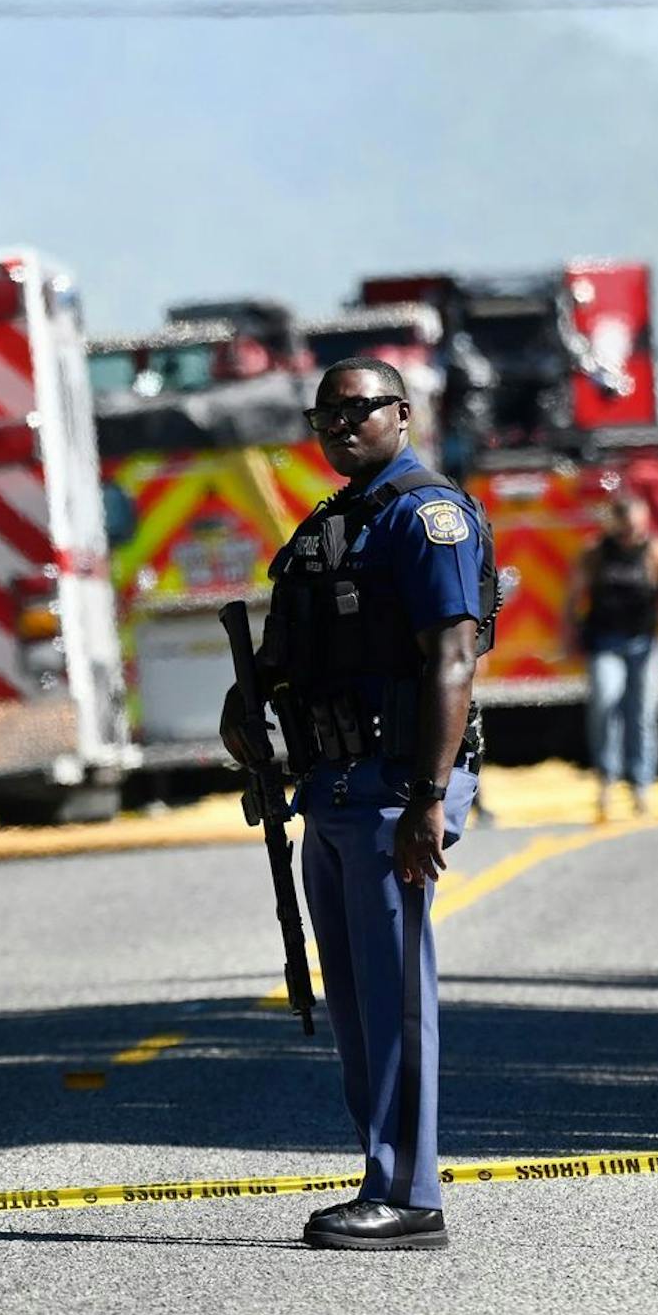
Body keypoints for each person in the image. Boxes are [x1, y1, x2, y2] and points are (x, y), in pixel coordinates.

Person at [222, 358, 492, 1252]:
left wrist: (426, 800)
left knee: (395, 995)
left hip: (391, 787)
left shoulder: (429, 517)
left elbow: (452, 660)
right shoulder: (329, 526)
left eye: (359, 408)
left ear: (402, 414)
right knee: (355, 1004)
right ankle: (380, 1170)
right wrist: (245, 704)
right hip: (330, 786)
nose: (340, 424)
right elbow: (287, 651)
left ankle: (413, 1195)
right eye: (325, 412)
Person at [565, 494, 658, 820]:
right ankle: (607, 778)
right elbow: (575, 594)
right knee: (605, 701)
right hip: (606, 641)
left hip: (644, 643)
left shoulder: (657, 552)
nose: (629, 535)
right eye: (624, 527)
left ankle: (641, 785)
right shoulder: (596, 552)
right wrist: (569, 634)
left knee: (643, 713)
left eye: (635, 527)